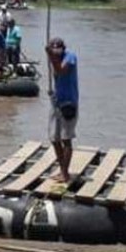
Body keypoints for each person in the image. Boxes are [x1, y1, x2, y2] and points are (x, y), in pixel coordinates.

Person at [47, 37, 79, 184]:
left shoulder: (70, 57)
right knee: (54, 139)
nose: (56, 50)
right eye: (53, 48)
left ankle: (65, 174)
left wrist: (50, 55)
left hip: (69, 104)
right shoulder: (54, 59)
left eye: (57, 48)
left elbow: (61, 70)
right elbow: (57, 77)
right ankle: (62, 170)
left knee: (66, 139)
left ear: (63, 48)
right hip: (57, 103)